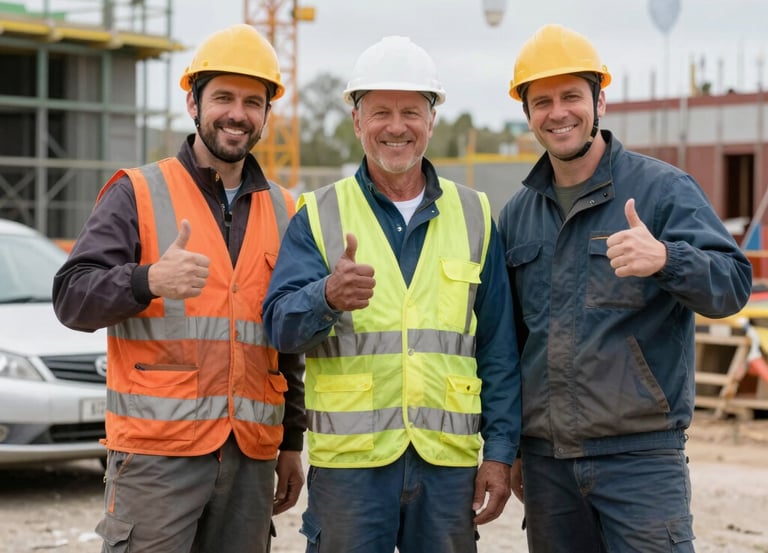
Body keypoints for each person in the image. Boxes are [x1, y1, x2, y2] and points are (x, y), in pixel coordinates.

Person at [498, 23, 753, 552]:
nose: (558, 112)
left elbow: (731, 286)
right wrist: (513, 448)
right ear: (528, 115)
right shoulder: (517, 216)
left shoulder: (662, 190)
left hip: (640, 461)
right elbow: (510, 345)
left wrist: (666, 258)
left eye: (572, 96)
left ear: (600, 102)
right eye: (541, 101)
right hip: (548, 465)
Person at [262, 35, 521, 553]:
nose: (396, 126)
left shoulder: (476, 216)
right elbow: (279, 327)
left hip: (446, 465)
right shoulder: (318, 214)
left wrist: (499, 452)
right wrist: (327, 296)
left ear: (432, 121)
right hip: (351, 468)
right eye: (380, 112)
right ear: (357, 122)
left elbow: (498, 349)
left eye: (411, 112)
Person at [52, 23, 306, 553]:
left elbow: (285, 345)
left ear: (265, 113)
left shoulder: (285, 210)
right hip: (156, 458)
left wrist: (290, 443)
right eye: (223, 98)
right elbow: (71, 296)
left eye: (252, 102)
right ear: (193, 103)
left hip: (250, 458)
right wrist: (147, 280)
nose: (238, 113)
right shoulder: (137, 191)